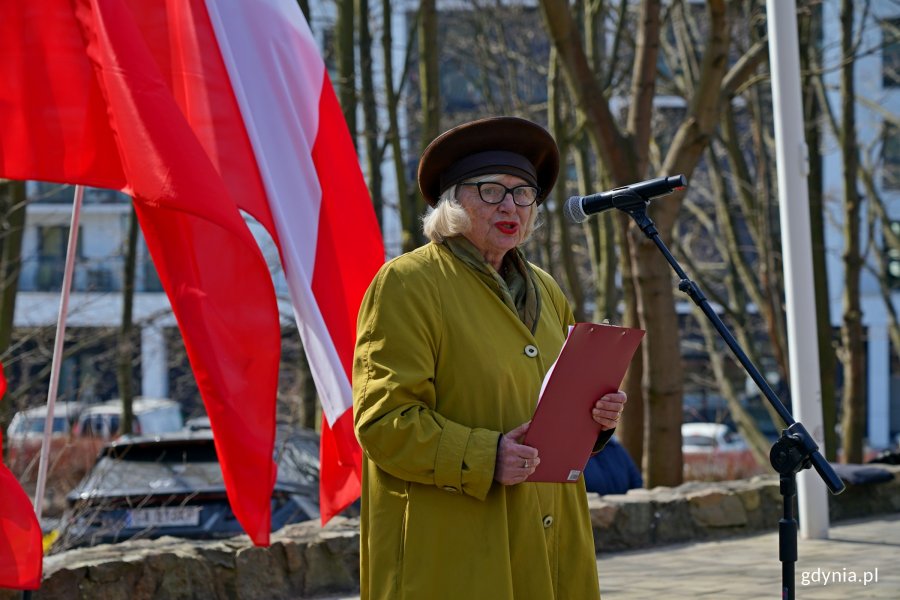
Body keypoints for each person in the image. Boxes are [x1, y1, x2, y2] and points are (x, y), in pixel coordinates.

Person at [352, 116, 628, 600]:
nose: (511, 205)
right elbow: (383, 422)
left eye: (523, 193)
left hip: (550, 547)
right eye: (490, 191)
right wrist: (485, 456)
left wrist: (596, 419)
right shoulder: (407, 283)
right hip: (453, 554)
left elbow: (553, 408)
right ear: (452, 203)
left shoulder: (546, 289)